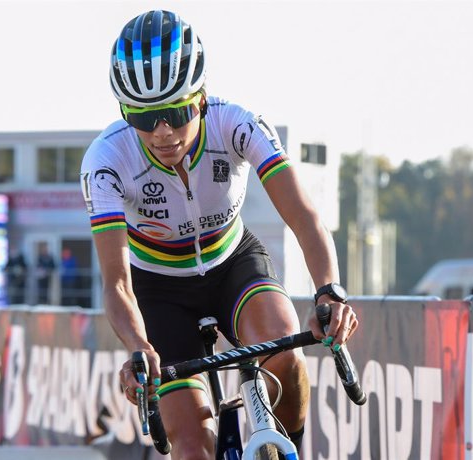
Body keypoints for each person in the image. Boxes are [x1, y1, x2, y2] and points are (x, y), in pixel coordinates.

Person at [80, 10, 359, 458]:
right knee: (192, 447)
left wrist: (330, 291)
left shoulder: (237, 124)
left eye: (175, 111)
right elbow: (116, 282)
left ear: (202, 97)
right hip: (159, 289)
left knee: (284, 353)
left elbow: (305, 218)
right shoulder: (106, 160)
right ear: (124, 112)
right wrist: (137, 347)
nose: (162, 132)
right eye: (144, 118)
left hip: (233, 264)